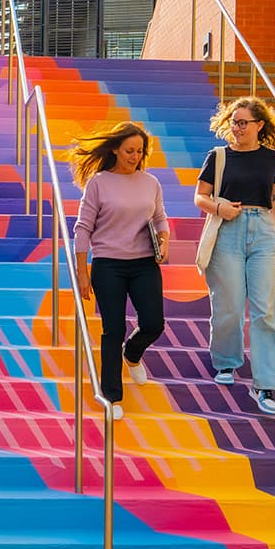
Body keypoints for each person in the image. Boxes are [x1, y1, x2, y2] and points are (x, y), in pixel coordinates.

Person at [193, 97, 275, 415]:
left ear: (259, 125)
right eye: (234, 121)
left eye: (243, 122)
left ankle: (265, 385)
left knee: (265, 311)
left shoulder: (273, 159)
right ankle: (226, 363)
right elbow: (200, 196)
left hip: (262, 231)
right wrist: (219, 207)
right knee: (229, 305)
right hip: (227, 231)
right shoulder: (218, 156)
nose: (236, 127)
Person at [71, 121, 169, 420]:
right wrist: (82, 271)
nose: (134, 156)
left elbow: (161, 219)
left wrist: (164, 243)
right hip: (109, 264)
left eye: (139, 151)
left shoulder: (151, 182)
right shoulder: (99, 183)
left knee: (154, 323)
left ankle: (133, 354)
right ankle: (111, 397)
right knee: (113, 330)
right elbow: (83, 227)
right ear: (115, 149)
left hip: (143, 263)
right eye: (129, 150)